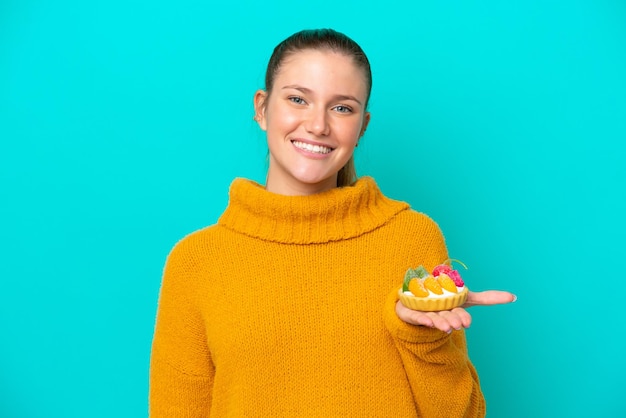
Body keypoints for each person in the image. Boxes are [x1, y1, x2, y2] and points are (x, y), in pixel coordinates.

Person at [149, 28, 516, 417]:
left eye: (342, 108)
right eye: (297, 99)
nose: (318, 125)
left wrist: (424, 341)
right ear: (261, 108)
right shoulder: (196, 262)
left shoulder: (411, 238)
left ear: (362, 126)